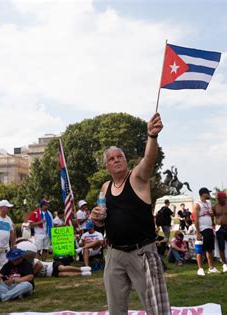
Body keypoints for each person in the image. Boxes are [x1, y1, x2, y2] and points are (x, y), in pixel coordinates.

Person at [90, 113, 170, 315]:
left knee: (156, 308)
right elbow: (103, 221)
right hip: (114, 254)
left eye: (120, 157)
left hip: (141, 252)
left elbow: (149, 161)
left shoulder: (137, 178)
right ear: (107, 165)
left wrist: (152, 137)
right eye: (111, 159)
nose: (116, 160)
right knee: (115, 309)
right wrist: (96, 219)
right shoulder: (106, 187)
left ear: (126, 161)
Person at [193, 187, 219, 276]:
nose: (209, 195)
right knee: (200, 249)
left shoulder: (208, 203)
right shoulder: (197, 204)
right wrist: (197, 232)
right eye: (208, 193)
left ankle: (211, 267)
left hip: (209, 228)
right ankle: (200, 269)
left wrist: (212, 221)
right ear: (203, 194)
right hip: (201, 229)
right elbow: (195, 219)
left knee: (209, 249)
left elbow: (211, 215)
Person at [212, 191, 227, 273]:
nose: (224, 200)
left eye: (225, 198)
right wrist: (213, 226)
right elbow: (212, 218)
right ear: (219, 199)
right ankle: (224, 264)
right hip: (219, 228)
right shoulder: (215, 207)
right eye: (223, 198)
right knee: (221, 247)